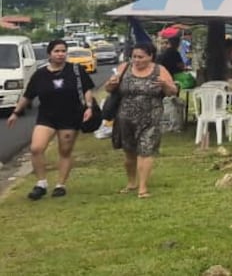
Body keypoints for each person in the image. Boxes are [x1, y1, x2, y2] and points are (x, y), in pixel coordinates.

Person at [5, 39, 95, 199]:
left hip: (70, 116)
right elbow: (28, 96)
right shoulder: (40, 74)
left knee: (65, 151)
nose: (60, 54)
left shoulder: (75, 70)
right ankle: (41, 183)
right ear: (49, 54)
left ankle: (61, 185)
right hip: (47, 116)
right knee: (36, 148)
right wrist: (16, 113)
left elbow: (87, 90)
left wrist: (89, 107)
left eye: (63, 51)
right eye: (57, 51)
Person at [105, 42, 178, 198]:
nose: (136, 60)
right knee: (129, 153)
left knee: (146, 150)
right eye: (134, 57)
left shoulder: (160, 70)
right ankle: (132, 182)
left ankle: (143, 188)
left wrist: (165, 85)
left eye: (140, 57)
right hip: (125, 118)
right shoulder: (124, 68)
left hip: (151, 117)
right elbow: (109, 88)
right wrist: (111, 84)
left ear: (151, 56)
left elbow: (172, 91)